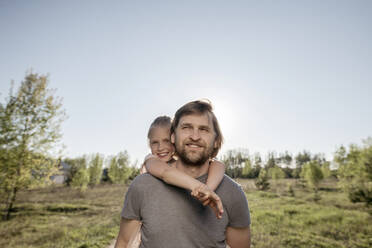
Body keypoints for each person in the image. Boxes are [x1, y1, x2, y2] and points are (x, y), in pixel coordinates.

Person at [115, 100, 251, 248]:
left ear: (216, 141)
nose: (195, 136)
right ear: (173, 136)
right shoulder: (142, 185)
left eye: (204, 129)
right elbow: (123, 242)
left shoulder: (232, 193)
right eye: (186, 127)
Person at [124, 115, 227, 247]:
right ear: (149, 144)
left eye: (166, 141)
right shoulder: (151, 161)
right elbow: (166, 173)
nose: (160, 147)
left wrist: (208, 189)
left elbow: (219, 165)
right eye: (155, 142)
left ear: (174, 139)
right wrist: (200, 187)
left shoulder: (183, 163)